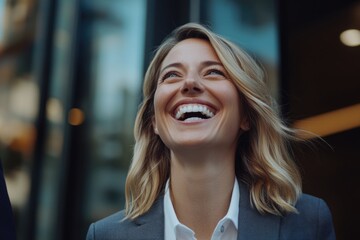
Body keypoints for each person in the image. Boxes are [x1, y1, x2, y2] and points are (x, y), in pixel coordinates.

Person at [86, 23, 335, 240]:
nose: (190, 83)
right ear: (154, 122)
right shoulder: (106, 235)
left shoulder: (308, 223)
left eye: (213, 72)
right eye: (172, 75)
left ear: (246, 116)